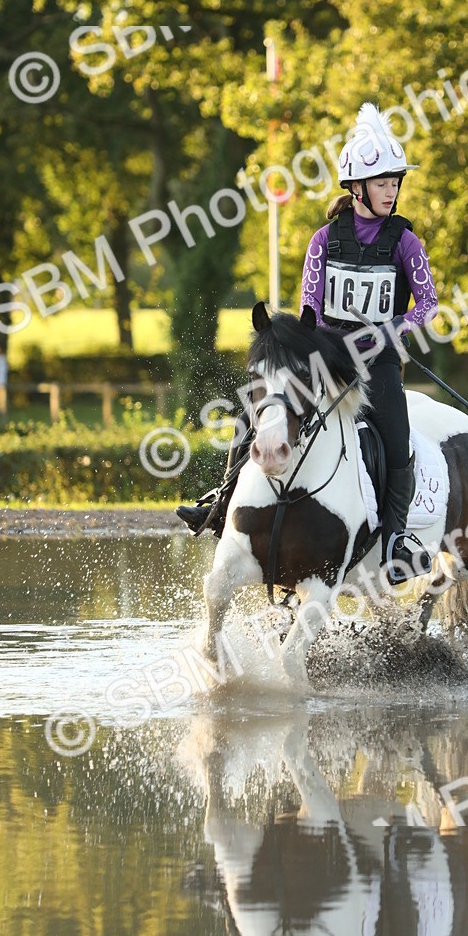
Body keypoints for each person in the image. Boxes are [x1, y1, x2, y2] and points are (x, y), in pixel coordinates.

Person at [178, 102, 439, 585]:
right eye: (382, 183)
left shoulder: (406, 242)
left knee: (397, 441)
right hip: (326, 358)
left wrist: (395, 327)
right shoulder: (323, 239)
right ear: (357, 188)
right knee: (255, 413)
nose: (391, 191)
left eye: (395, 182)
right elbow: (309, 308)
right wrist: (311, 345)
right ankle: (219, 503)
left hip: (378, 362)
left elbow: (428, 304)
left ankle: (396, 541)